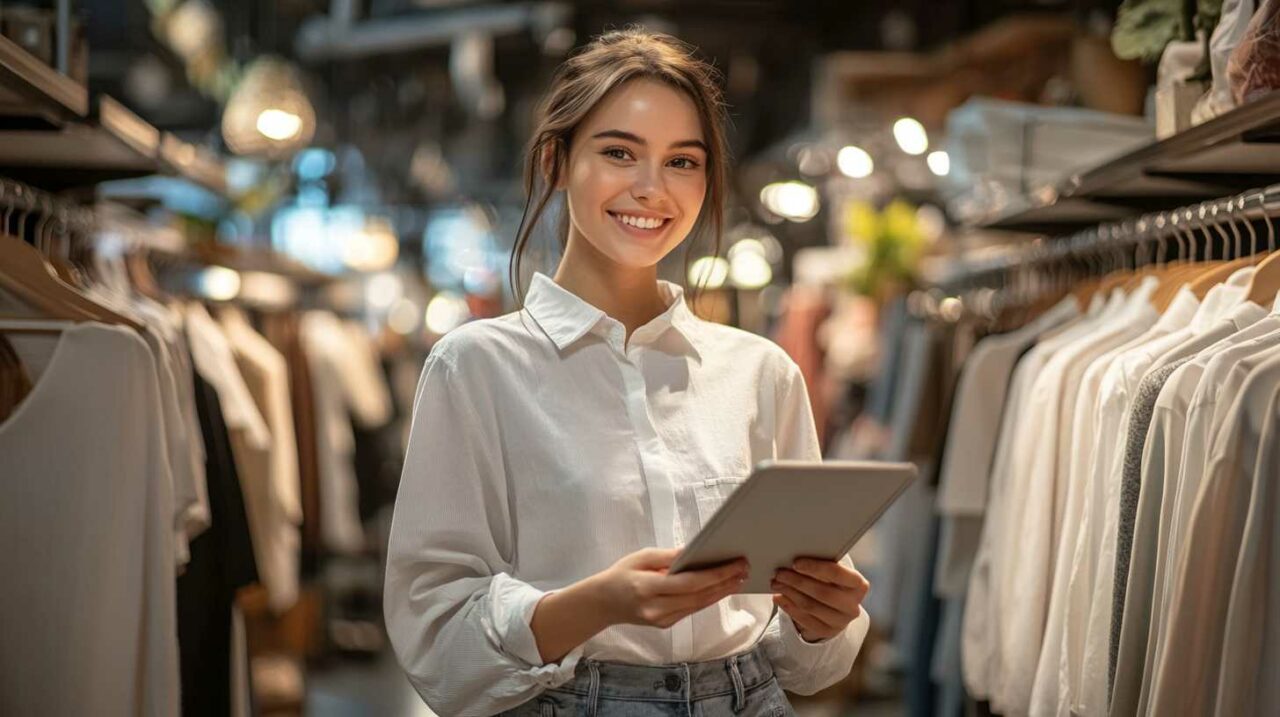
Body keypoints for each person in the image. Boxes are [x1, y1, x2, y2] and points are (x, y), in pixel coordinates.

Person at [384, 28, 871, 717]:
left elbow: (808, 658)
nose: (651, 188)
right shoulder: (477, 369)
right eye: (618, 152)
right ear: (556, 160)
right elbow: (434, 636)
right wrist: (593, 604)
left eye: (682, 161)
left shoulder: (760, 372)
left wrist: (824, 615)